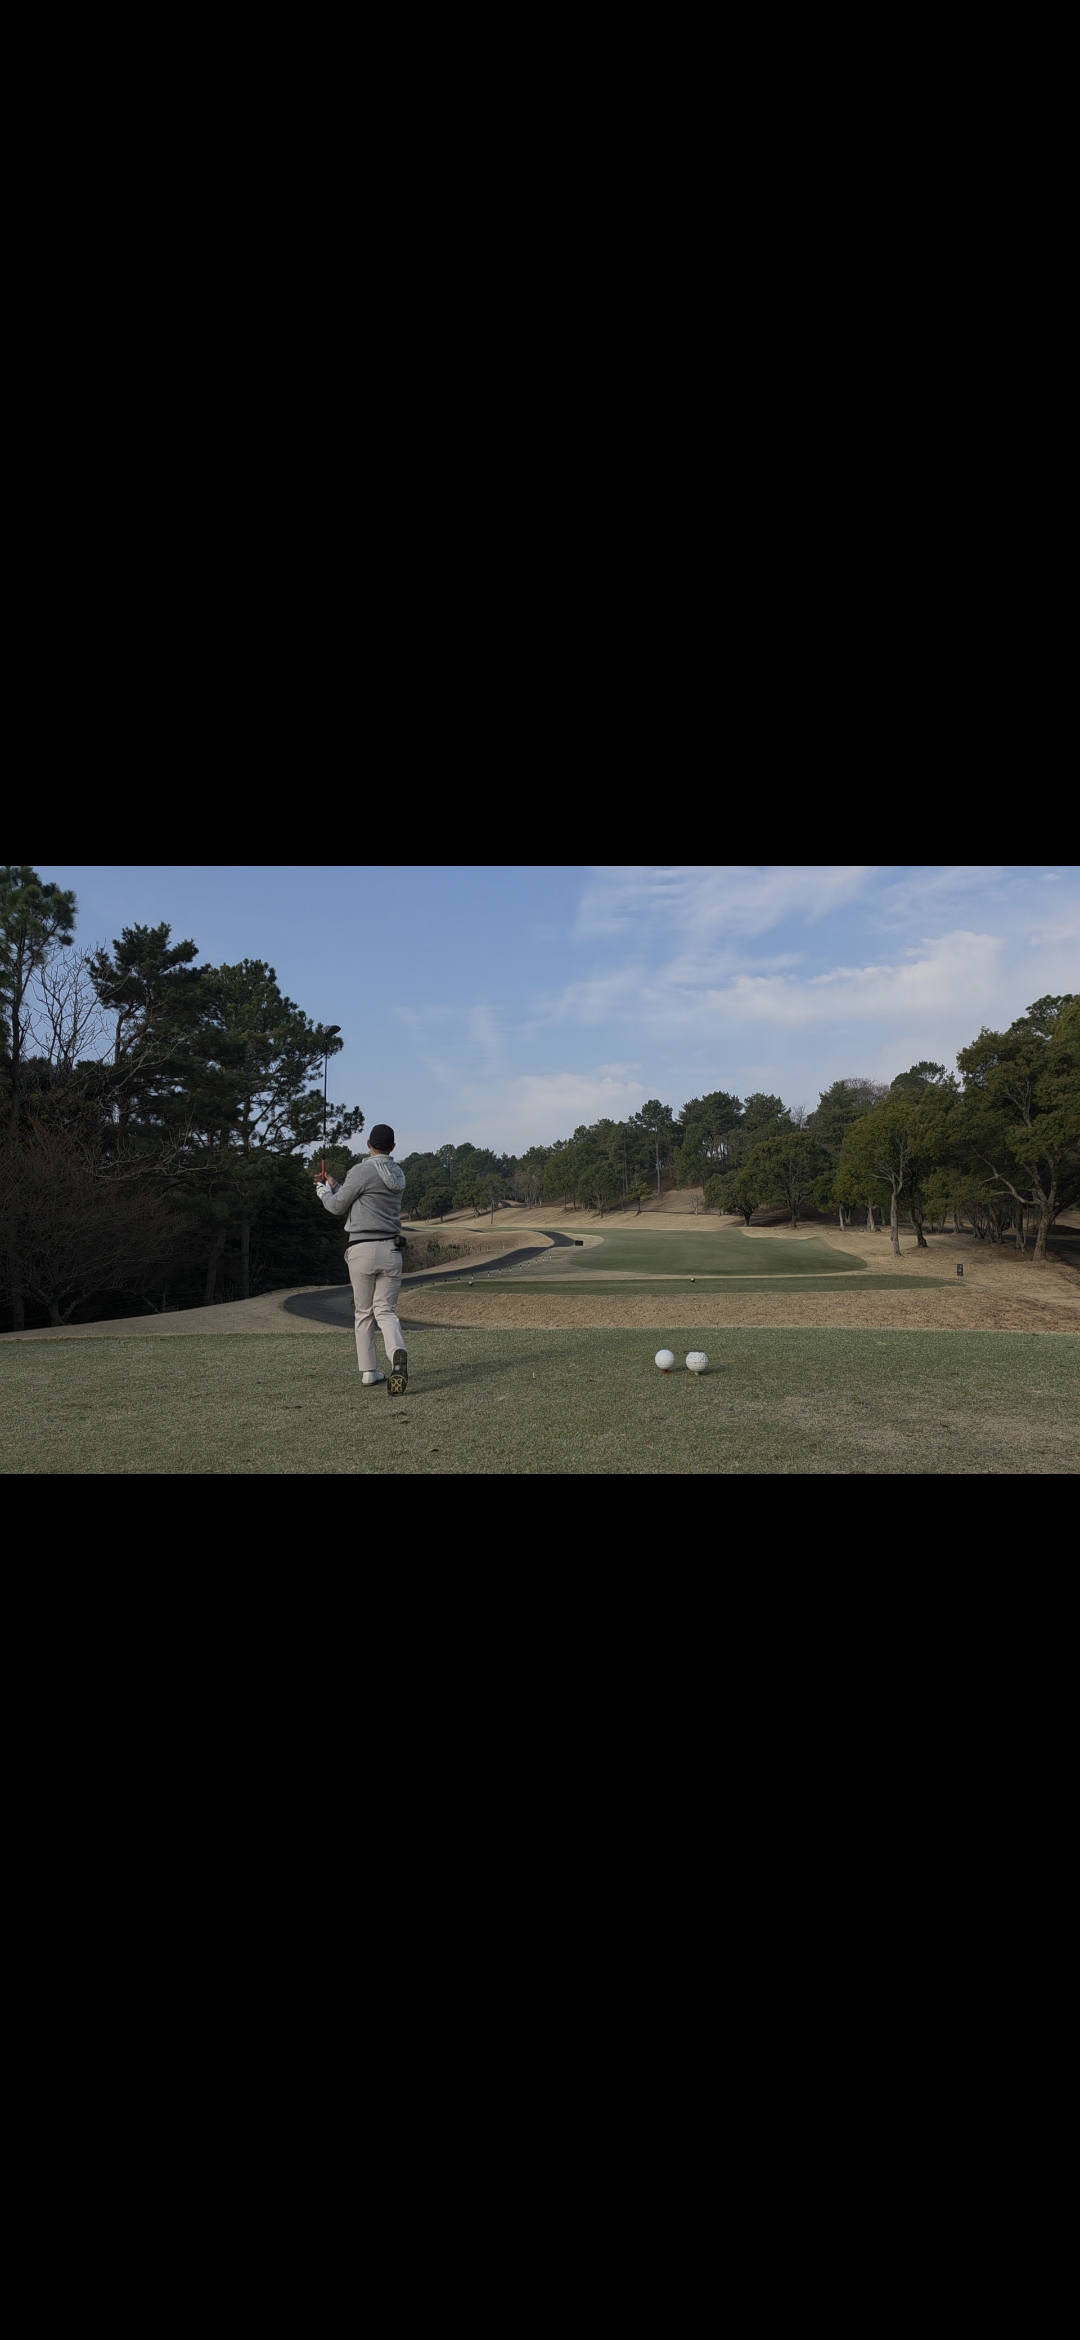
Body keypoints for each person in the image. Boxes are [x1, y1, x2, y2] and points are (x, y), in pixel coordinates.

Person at [314, 1125, 409, 1393]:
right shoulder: (398, 1173)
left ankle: (369, 1371)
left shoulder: (361, 1170)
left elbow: (337, 1206)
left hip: (362, 1250)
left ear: (368, 1143)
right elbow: (365, 1200)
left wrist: (323, 1191)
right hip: (391, 1250)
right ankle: (396, 1352)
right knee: (385, 1310)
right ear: (393, 1147)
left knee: (364, 1312)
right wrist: (336, 1185)